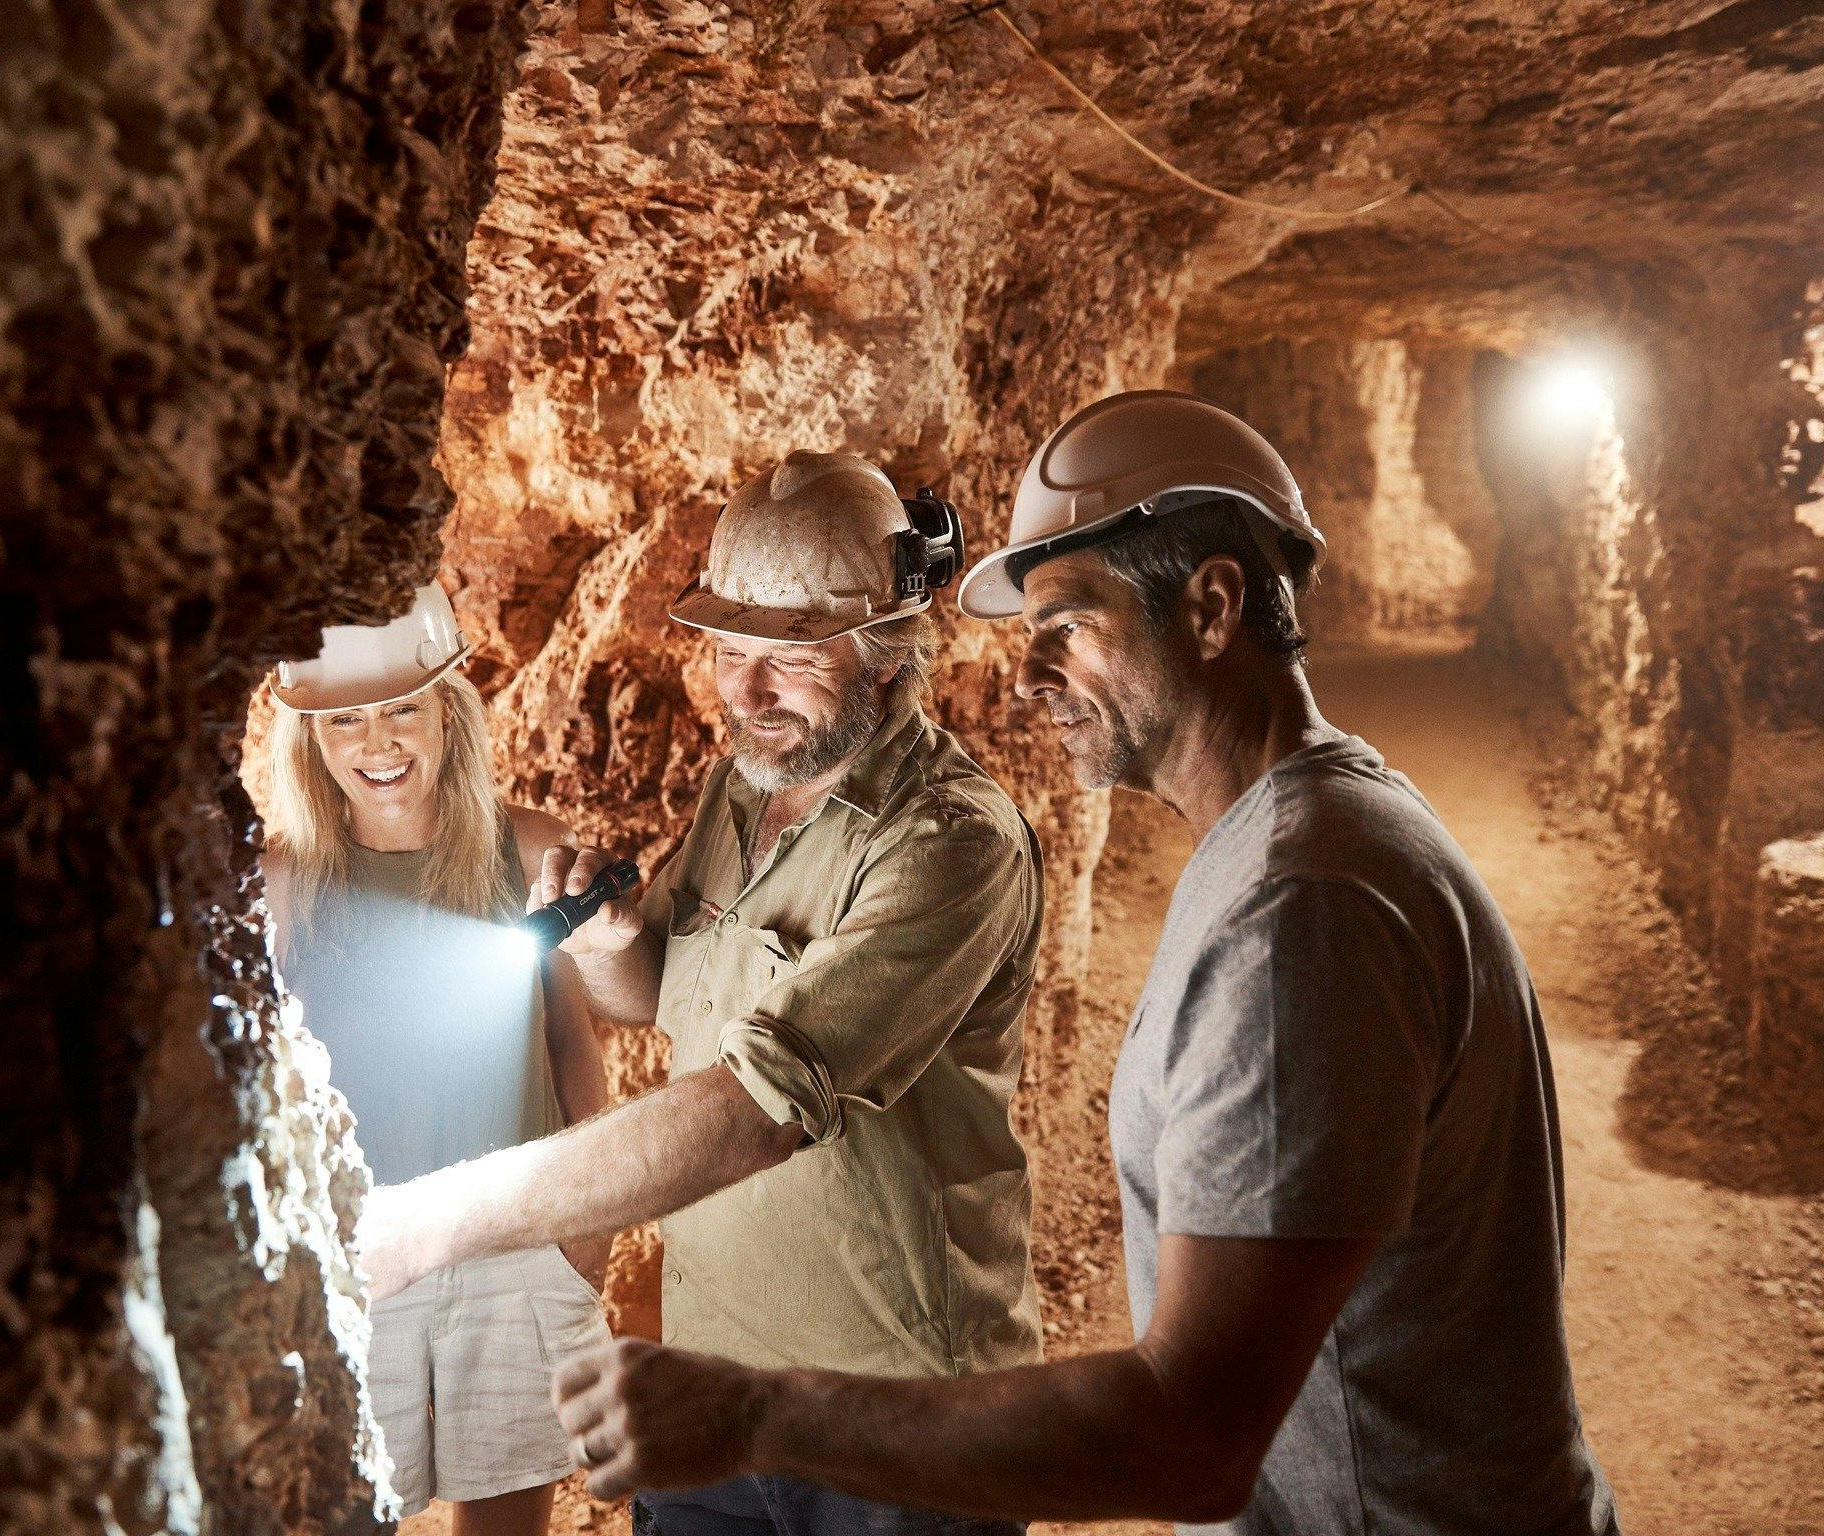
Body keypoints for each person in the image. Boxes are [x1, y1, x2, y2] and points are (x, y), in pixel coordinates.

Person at [552, 393, 1623, 1536]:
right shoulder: (1284, 847)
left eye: (1066, 624)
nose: (1026, 677)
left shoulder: (1298, 910)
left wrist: (751, 1415)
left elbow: (1188, 1436)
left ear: (1209, 607)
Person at [357, 452, 1047, 1536]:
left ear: (883, 650)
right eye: (729, 651)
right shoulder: (745, 788)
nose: (748, 694)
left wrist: (433, 1222)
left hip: (896, 1422)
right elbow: (650, 997)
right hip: (710, 1388)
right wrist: (611, 938)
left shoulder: (950, 844)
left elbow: (753, 1113)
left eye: (792, 659)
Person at [264, 584, 613, 1536]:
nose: (376, 743)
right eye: (344, 720)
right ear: (311, 738)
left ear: (448, 714)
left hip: (515, 1239)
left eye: (402, 710)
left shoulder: (527, 850)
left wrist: (589, 1233)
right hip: (356, 1254)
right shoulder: (284, 885)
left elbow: (571, 1039)